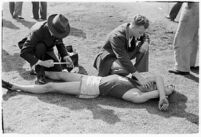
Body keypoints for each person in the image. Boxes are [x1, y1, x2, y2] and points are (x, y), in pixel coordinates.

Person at [2, 71, 175, 111]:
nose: (149, 84)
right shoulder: (138, 81)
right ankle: (38, 68)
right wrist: (161, 89)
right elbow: (159, 77)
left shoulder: (137, 96)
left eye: (153, 88)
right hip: (93, 78)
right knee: (59, 74)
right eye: (152, 84)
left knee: (51, 87)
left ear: (154, 94)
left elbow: (161, 89)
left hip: (90, 87)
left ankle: (15, 87)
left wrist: (163, 95)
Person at [93, 15, 151, 87]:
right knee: (125, 69)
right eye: (140, 33)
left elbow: (145, 35)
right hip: (108, 58)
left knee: (144, 48)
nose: (141, 35)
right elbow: (123, 58)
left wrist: (146, 42)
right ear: (133, 27)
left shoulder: (133, 28)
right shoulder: (117, 36)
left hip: (122, 54)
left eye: (142, 33)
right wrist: (139, 77)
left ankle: (140, 76)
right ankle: (111, 77)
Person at [18, 14, 74, 84]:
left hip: (47, 48)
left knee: (57, 69)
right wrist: (42, 63)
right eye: (58, 34)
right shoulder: (37, 31)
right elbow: (24, 52)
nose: (59, 36)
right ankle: (39, 72)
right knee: (40, 47)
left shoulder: (58, 27)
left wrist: (66, 56)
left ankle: (36, 67)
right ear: (52, 29)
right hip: (33, 49)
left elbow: (59, 43)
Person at [169, 2, 199, 75]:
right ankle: (190, 64)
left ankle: (182, 68)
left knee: (181, 38)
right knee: (193, 36)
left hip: (192, 6)